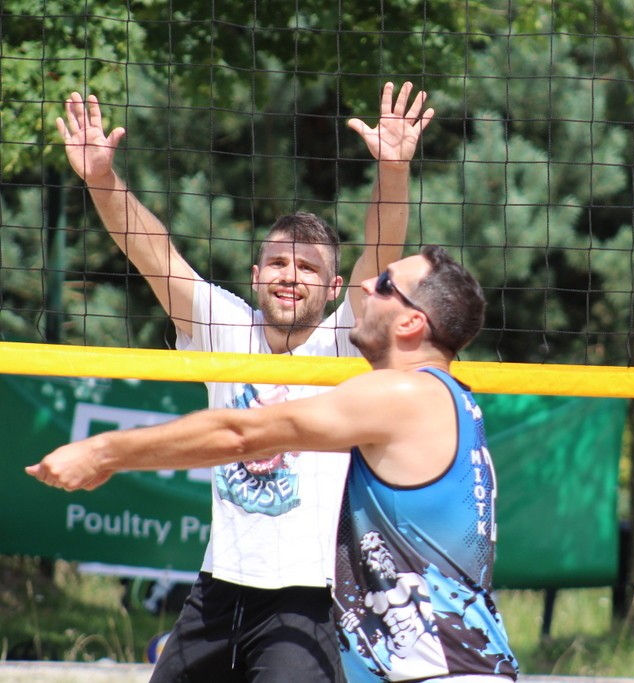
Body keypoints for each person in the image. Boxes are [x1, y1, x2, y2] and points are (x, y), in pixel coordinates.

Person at [55, 81, 434, 682]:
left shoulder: (343, 340)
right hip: (218, 587)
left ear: (335, 289)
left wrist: (392, 171)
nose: (291, 276)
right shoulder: (226, 326)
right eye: (279, 263)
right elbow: (153, 253)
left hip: (310, 597)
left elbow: (381, 251)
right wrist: (102, 179)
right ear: (256, 274)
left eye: (307, 268)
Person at [28, 246, 520, 683]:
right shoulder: (446, 400)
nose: (368, 283)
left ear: (411, 323)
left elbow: (242, 434)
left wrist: (103, 452)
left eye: (387, 284)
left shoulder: (404, 393)